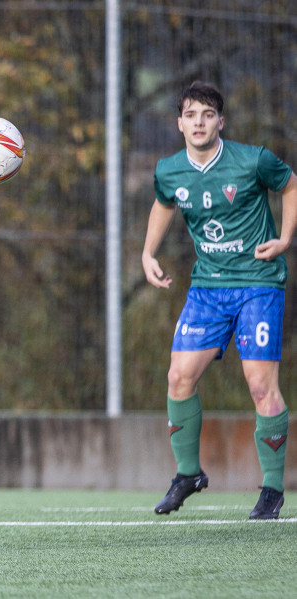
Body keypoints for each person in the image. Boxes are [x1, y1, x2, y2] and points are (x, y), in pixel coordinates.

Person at [142, 81, 297, 519]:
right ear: (179, 123)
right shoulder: (169, 169)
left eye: (207, 114)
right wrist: (147, 253)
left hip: (259, 283)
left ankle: (271, 490)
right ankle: (188, 475)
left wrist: (284, 238)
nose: (199, 122)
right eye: (191, 115)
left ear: (220, 122)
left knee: (260, 384)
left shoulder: (253, 159)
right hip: (208, 289)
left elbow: (290, 186)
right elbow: (163, 203)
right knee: (178, 377)